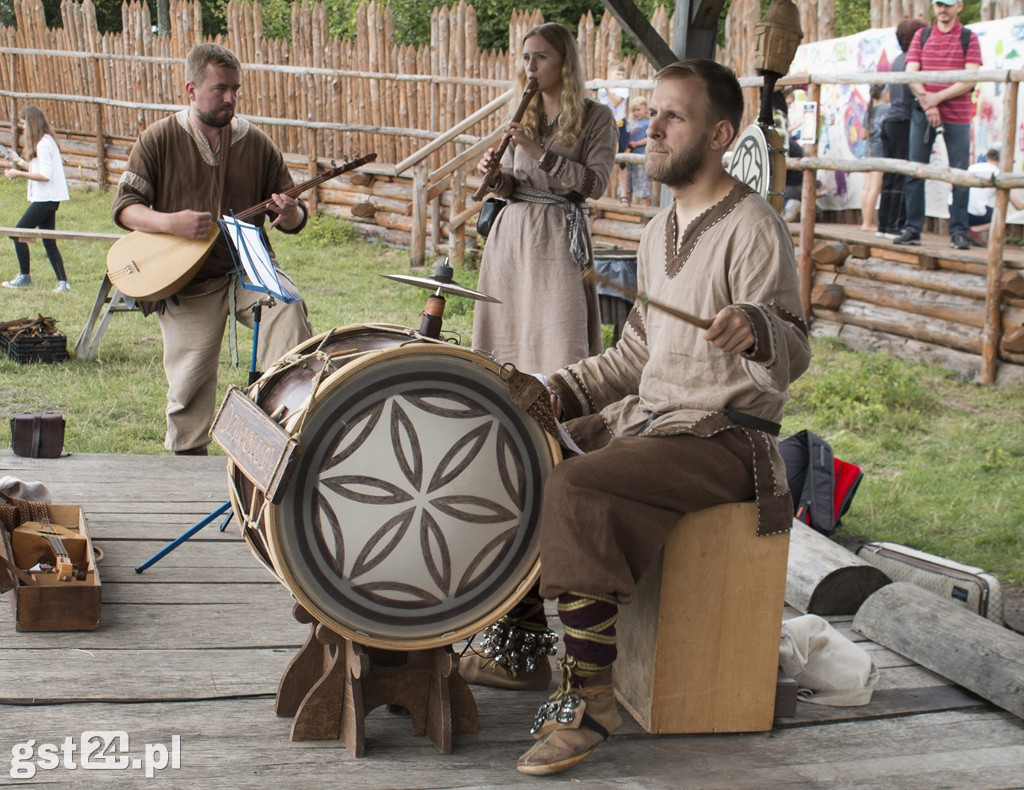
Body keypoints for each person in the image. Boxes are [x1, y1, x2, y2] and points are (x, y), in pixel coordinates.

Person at [464, 59, 811, 776]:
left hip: (724, 439)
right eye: (652, 113)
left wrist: (755, 328)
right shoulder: (658, 232)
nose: (650, 128)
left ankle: (591, 699)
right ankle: (524, 642)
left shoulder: (754, 228)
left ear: (719, 135)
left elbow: (795, 347)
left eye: (672, 117)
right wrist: (554, 391)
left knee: (581, 487)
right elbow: (633, 358)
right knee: (519, 447)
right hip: (654, 421)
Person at [112, 43, 312, 456]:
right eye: (220, 89)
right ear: (190, 89)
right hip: (186, 278)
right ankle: (187, 461)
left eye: (235, 89)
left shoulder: (256, 143)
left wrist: (289, 212)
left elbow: (295, 219)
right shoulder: (159, 139)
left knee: (288, 311)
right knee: (189, 384)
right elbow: (126, 208)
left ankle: (287, 426)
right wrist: (170, 223)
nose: (230, 98)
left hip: (248, 267)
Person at [472, 23, 617, 374]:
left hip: (558, 235)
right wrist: (493, 178)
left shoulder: (596, 117)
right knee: (507, 330)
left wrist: (538, 151)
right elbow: (510, 185)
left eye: (541, 56)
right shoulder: (523, 113)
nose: (531, 66)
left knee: (559, 330)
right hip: (511, 236)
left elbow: (594, 184)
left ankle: (559, 414)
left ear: (565, 61)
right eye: (526, 57)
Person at [893, 1, 982, 250]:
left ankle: (959, 232)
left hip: (958, 115)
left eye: (948, 5)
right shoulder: (922, 35)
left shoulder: (969, 37)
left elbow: (970, 78)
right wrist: (929, 104)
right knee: (915, 171)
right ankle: (912, 228)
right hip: (924, 113)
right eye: (939, 4)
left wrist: (936, 99)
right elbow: (912, 72)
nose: (943, 9)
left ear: (959, 7)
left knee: (960, 174)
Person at [1, 105, 71, 292]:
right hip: (47, 198)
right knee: (49, 239)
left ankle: (25, 277)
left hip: (46, 199)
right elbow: (38, 169)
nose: (23, 128)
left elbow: (45, 175)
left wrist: (18, 174)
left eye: (24, 124)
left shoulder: (43, 144)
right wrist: (19, 161)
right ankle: (63, 282)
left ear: (31, 123)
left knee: (18, 233)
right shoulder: (44, 141)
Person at [878, 18, 928, 238]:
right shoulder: (912, 60)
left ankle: (884, 225)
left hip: (890, 121)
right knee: (903, 174)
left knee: (891, 175)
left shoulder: (898, 59)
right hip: (904, 121)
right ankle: (896, 225)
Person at [598, 60, 631, 204]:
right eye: (618, 73)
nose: (621, 76)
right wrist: (599, 83)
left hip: (619, 124)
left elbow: (615, 102)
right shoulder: (602, 86)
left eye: (623, 74)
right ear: (609, 74)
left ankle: (624, 194)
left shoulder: (623, 88)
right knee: (599, 157)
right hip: (603, 126)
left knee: (622, 160)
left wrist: (606, 88)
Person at [860, 85, 889, 231]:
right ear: (884, 93)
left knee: (867, 187)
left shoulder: (869, 110)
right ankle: (867, 223)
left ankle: (865, 221)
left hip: (868, 151)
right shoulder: (888, 109)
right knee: (875, 188)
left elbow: (863, 135)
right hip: (880, 151)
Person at [625, 94, 650, 207]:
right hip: (629, 154)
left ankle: (645, 203)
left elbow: (649, 138)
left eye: (639, 109)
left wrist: (636, 143)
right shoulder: (631, 123)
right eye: (634, 110)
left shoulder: (648, 123)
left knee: (642, 178)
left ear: (645, 109)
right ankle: (627, 200)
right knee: (628, 178)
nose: (636, 112)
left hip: (641, 154)